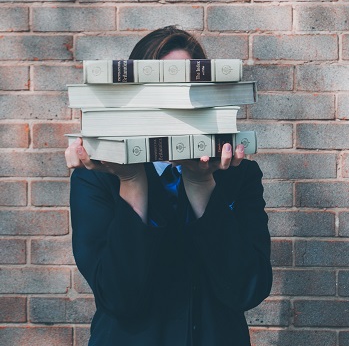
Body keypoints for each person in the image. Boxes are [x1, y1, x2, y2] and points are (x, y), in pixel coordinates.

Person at [65, 26, 272, 346]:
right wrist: (131, 181)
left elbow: (246, 290)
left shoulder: (239, 175)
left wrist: (202, 184)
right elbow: (119, 297)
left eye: (184, 91)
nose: (172, 109)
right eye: (157, 94)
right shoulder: (97, 176)